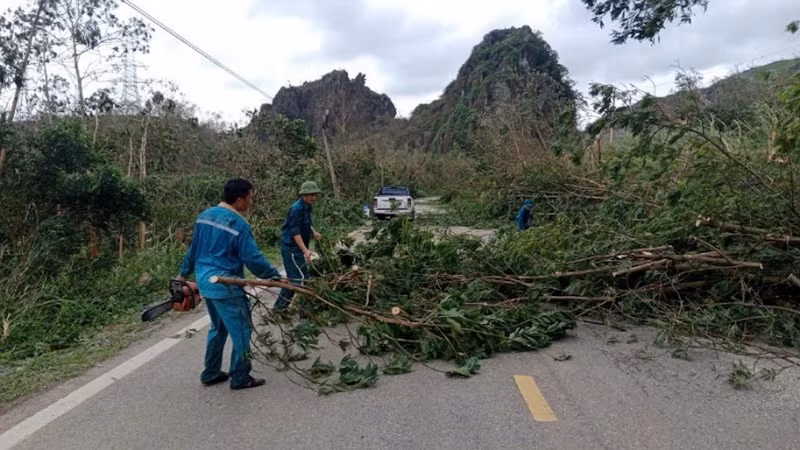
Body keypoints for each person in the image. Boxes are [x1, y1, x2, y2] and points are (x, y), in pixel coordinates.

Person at [177, 178, 282, 390]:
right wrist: (273, 276)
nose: (252, 202)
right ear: (239, 199)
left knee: (218, 328)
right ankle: (240, 377)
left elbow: (193, 250)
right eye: (250, 198)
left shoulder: (204, 217)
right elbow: (252, 257)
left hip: (206, 283)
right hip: (226, 285)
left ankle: (211, 372)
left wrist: (183, 274)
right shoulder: (239, 225)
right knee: (242, 330)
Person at [273, 181, 322, 314]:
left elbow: (307, 223)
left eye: (315, 194)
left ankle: (279, 308)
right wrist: (305, 251)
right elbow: (295, 233)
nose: (314, 197)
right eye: (311, 195)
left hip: (297, 249)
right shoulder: (296, 209)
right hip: (291, 249)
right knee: (302, 279)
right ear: (304, 195)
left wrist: (314, 232)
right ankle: (304, 312)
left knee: (294, 278)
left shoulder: (307, 206)